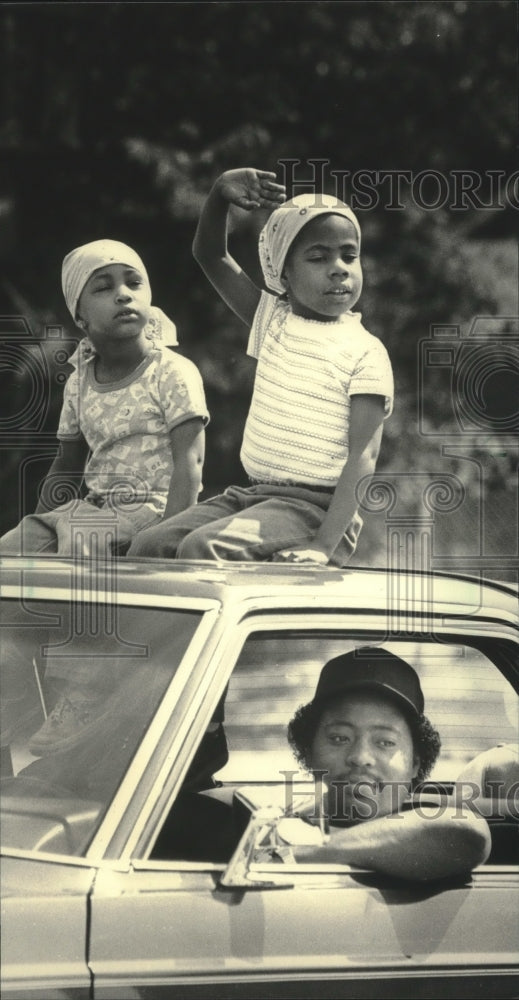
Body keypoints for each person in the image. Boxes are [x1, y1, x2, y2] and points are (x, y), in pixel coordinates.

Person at [128, 167, 393, 566]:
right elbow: (211, 255)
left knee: (201, 549)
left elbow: (363, 457)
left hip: (316, 512)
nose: (339, 267)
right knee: (149, 546)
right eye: (318, 257)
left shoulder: (366, 351)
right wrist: (219, 195)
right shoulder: (272, 321)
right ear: (282, 273)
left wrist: (323, 546)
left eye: (349, 255)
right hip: (254, 496)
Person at [0, 239, 208, 559]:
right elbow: (65, 466)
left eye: (134, 282)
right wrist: (39, 523)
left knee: (80, 539)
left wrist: (165, 540)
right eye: (103, 288)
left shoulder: (173, 372)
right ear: (79, 316)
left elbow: (190, 463)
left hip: (154, 511)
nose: (124, 294)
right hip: (92, 511)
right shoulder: (78, 381)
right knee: (12, 550)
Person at [283, 648, 491, 880]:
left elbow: (468, 834)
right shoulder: (284, 823)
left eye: (385, 742)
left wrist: (299, 854)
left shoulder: (429, 823)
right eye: (339, 738)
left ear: (415, 763)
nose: (361, 757)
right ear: (309, 751)